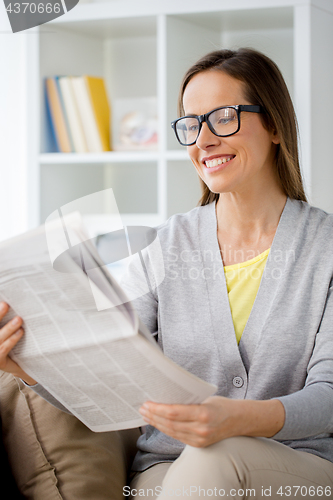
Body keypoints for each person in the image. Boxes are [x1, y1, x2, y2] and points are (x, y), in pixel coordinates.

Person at [1, 48, 333, 499]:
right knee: (198, 468)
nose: (204, 140)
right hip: (168, 468)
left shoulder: (326, 248)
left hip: (298, 467)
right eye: (192, 125)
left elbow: (329, 394)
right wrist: (29, 368)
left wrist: (239, 420)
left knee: (216, 456)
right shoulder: (162, 246)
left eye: (223, 118)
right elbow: (114, 382)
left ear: (274, 124)